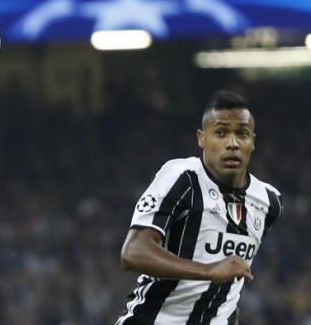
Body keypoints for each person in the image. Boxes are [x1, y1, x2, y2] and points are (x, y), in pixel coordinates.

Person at [116, 90, 282, 325]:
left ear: (252, 141)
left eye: (242, 134)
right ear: (201, 138)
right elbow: (133, 252)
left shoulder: (269, 201)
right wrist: (209, 270)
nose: (232, 143)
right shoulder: (182, 178)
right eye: (221, 133)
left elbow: (231, 289)